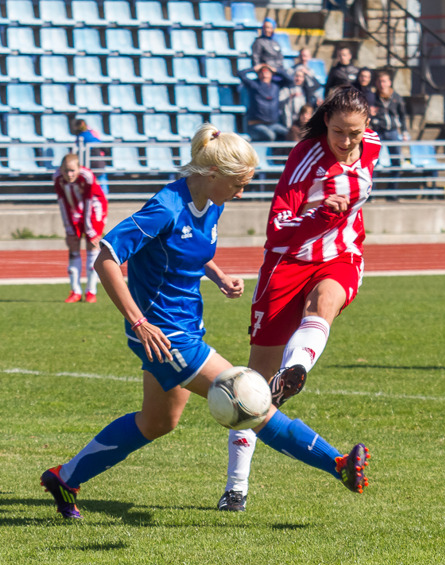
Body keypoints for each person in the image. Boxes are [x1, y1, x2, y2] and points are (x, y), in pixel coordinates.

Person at [40, 123, 370, 520]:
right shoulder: (166, 206)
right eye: (238, 184)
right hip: (165, 335)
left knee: (157, 421)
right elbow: (106, 257)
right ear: (214, 174)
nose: (241, 193)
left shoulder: (212, 201)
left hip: (185, 326)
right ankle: (337, 464)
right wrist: (139, 321)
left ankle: (65, 477)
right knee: (251, 400)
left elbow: (188, 247)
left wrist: (217, 274)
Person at [218, 86, 378, 511]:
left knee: (326, 300)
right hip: (287, 264)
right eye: (340, 132)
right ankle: (236, 486)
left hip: (340, 255)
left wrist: (339, 222)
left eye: (356, 134)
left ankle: (297, 368)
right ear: (326, 121)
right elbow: (278, 230)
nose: (347, 142)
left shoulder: (372, 148)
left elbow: (359, 189)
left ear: (368, 126)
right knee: (252, 386)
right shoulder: (303, 159)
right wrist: (322, 213)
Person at [53, 153, 108, 303]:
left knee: (92, 244)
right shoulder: (57, 178)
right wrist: (68, 227)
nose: (69, 175)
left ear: (79, 169)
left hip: (93, 209)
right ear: (61, 169)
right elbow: (62, 202)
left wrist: (91, 229)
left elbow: (90, 201)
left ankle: (91, 291)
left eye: (72, 171)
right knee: (73, 244)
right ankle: (75, 291)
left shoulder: (87, 177)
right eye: (66, 171)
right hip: (74, 210)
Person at [370, 70, 409, 199]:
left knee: (396, 161)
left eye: (385, 81)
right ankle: (372, 193)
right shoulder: (373, 97)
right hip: (379, 131)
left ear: (389, 83)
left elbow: (403, 115)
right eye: (380, 82)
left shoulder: (396, 97)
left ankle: (392, 191)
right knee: (373, 161)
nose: (382, 84)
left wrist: (404, 131)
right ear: (376, 83)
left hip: (392, 131)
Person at [238, 63, 293, 141]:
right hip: (256, 124)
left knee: (290, 135)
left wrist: (276, 70)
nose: (264, 74)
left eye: (267, 72)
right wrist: (253, 69)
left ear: (271, 74)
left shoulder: (276, 85)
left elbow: (290, 80)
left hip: (273, 124)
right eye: (262, 72)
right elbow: (240, 74)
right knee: (270, 136)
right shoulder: (254, 84)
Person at [72, 117, 108, 196]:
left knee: (94, 181)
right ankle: (103, 198)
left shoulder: (81, 137)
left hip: (91, 162)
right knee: (101, 181)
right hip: (97, 162)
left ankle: (99, 197)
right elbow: (102, 146)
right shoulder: (90, 134)